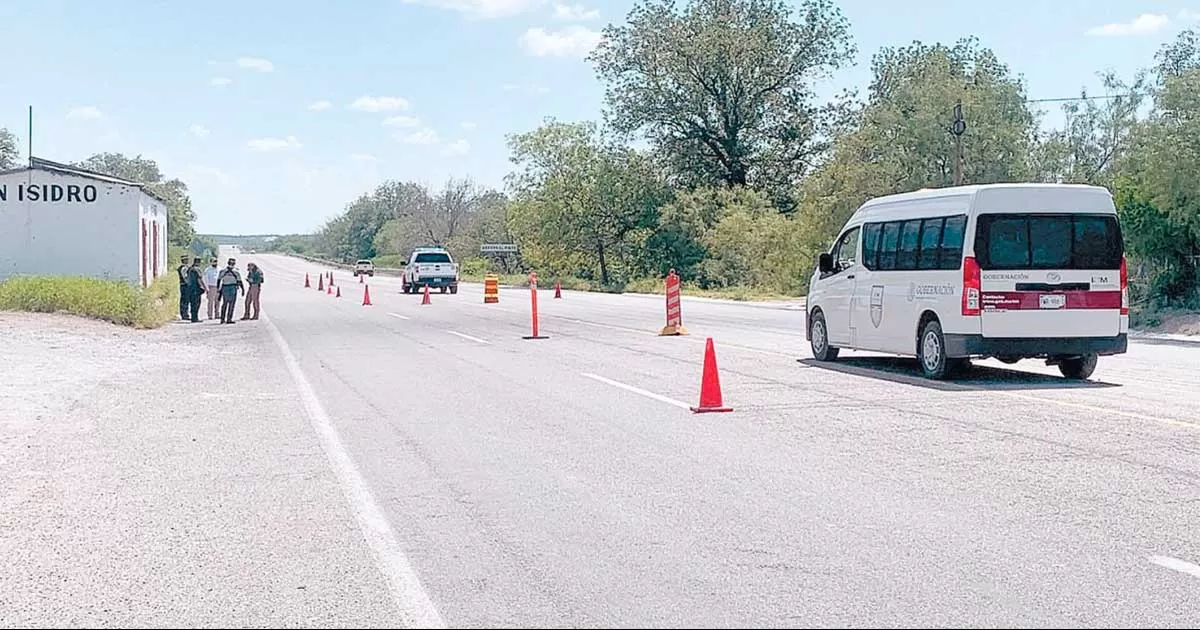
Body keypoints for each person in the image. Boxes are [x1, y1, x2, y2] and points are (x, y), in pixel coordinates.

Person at [216, 258, 245, 324]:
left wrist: (218, 288)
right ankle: (229, 319)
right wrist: (243, 290)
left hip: (225, 287)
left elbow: (218, 280)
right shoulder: (236, 271)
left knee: (225, 303)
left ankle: (222, 319)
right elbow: (240, 281)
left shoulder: (222, 271)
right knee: (231, 304)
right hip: (232, 287)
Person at [184, 257, 205, 323]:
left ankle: (193, 318)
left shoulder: (189, 269)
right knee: (196, 304)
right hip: (196, 289)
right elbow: (199, 279)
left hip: (189, 288)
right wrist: (204, 287)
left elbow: (186, 278)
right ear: (198, 262)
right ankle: (195, 318)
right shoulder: (197, 269)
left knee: (192, 304)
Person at [176, 254, 191, 321]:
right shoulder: (184, 268)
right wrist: (189, 283)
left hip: (183, 285)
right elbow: (185, 277)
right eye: (186, 260)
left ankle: (184, 314)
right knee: (185, 300)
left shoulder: (183, 267)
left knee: (184, 300)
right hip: (185, 285)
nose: (187, 261)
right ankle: (184, 314)